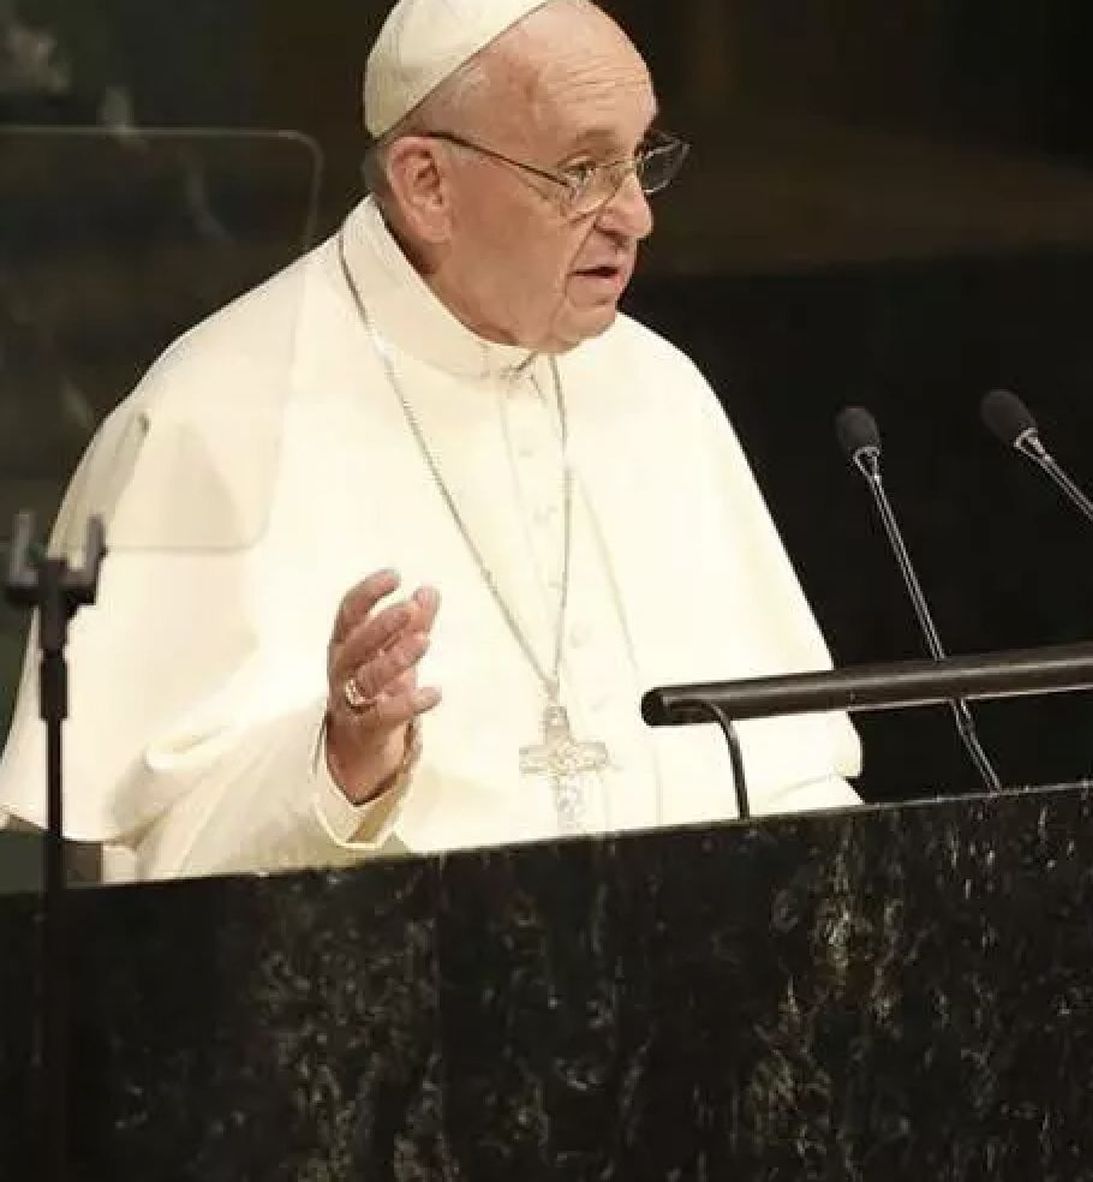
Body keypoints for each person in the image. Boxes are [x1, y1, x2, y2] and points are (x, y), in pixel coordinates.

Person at [0, 0, 861, 881]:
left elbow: (791, 774)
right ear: (426, 185)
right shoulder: (213, 417)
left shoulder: (662, 392)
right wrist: (342, 763)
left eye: (639, 160)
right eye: (582, 170)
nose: (634, 216)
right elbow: (139, 875)